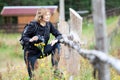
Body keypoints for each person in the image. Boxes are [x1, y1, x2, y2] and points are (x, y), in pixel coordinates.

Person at [22, 8, 62, 79]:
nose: (48, 16)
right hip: (30, 53)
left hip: (42, 50)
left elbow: (59, 35)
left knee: (57, 44)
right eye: (45, 15)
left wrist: (55, 40)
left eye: (49, 15)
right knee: (33, 77)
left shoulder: (49, 25)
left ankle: (55, 69)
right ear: (40, 16)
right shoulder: (32, 25)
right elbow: (24, 37)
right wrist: (31, 39)